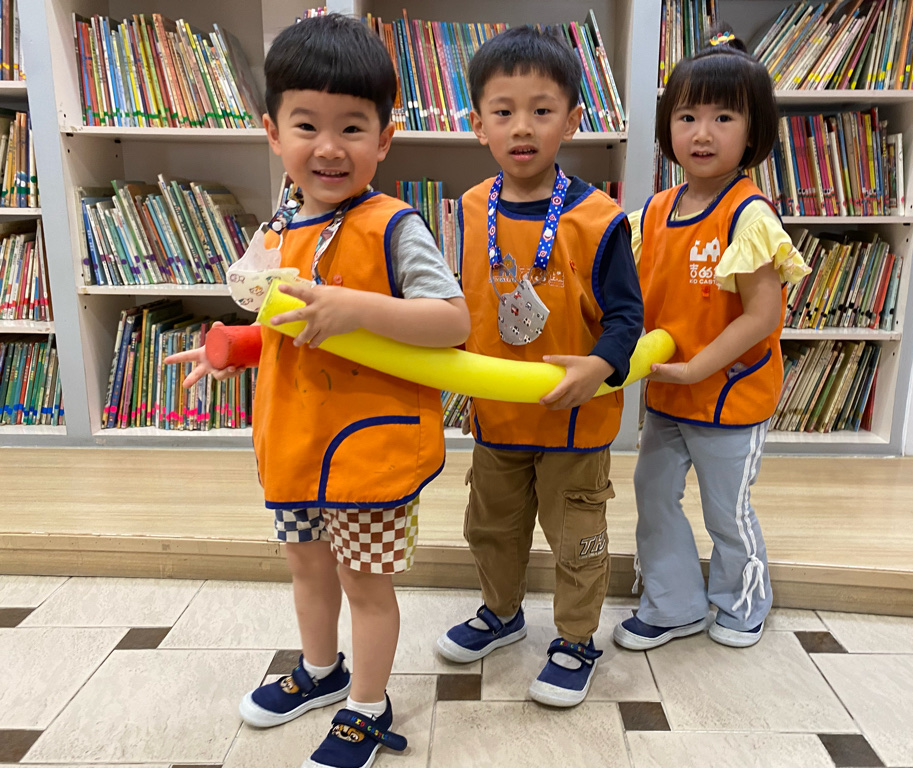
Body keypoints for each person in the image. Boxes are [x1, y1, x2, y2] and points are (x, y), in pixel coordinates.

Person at [165, 15, 469, 768]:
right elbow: (281, 327)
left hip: (368, 453)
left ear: (384, 139)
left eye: (352, 127)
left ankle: (368, 706)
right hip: (295, 444)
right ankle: (320, 670)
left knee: (364, 584)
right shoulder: (276, 230)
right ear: (273, 132)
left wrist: (353, 308)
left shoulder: (394, 227)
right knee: (306, 566)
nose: (329, 147)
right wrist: (234, 349)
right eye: (307, 125)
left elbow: (453, 321)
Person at [435, 26, 644, 708]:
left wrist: (601, 366)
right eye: (503, 111)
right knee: (490, 527)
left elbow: (628, 319)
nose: (521, 126)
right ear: (478, 124)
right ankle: (501, 615)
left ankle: (577, 641)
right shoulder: (470, 209)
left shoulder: (600, 220)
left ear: (572, 120)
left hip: (574, 426)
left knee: (577, 539)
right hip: (496, 419)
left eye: (541, 110)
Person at [613, 29, 810, 653]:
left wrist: (699, 368)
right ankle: (672, 604)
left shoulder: (748, 215)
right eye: (687, 116)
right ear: (667, 127)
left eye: (723, 117)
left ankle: (744, 600)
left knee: (727, 509)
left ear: (752, 133)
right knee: (653, 495)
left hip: (729, 398)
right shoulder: (653, 212)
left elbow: (762, 316)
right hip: (669, 396)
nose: (702, 133)